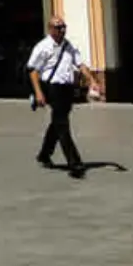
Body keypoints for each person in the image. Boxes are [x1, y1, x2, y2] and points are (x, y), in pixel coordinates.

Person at [28, 17, 102, 179]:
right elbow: (33, 70)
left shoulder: (69, 46)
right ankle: (75, 164)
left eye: (63, 27)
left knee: (57, 122)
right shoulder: (43, 47)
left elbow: (80, 65)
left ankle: (44, 154)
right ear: (50, 29)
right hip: (52, 88)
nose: (62, 30)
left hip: (67, 89)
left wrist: (92, 81)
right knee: (62, 124)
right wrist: (39, 92)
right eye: (58, 27)